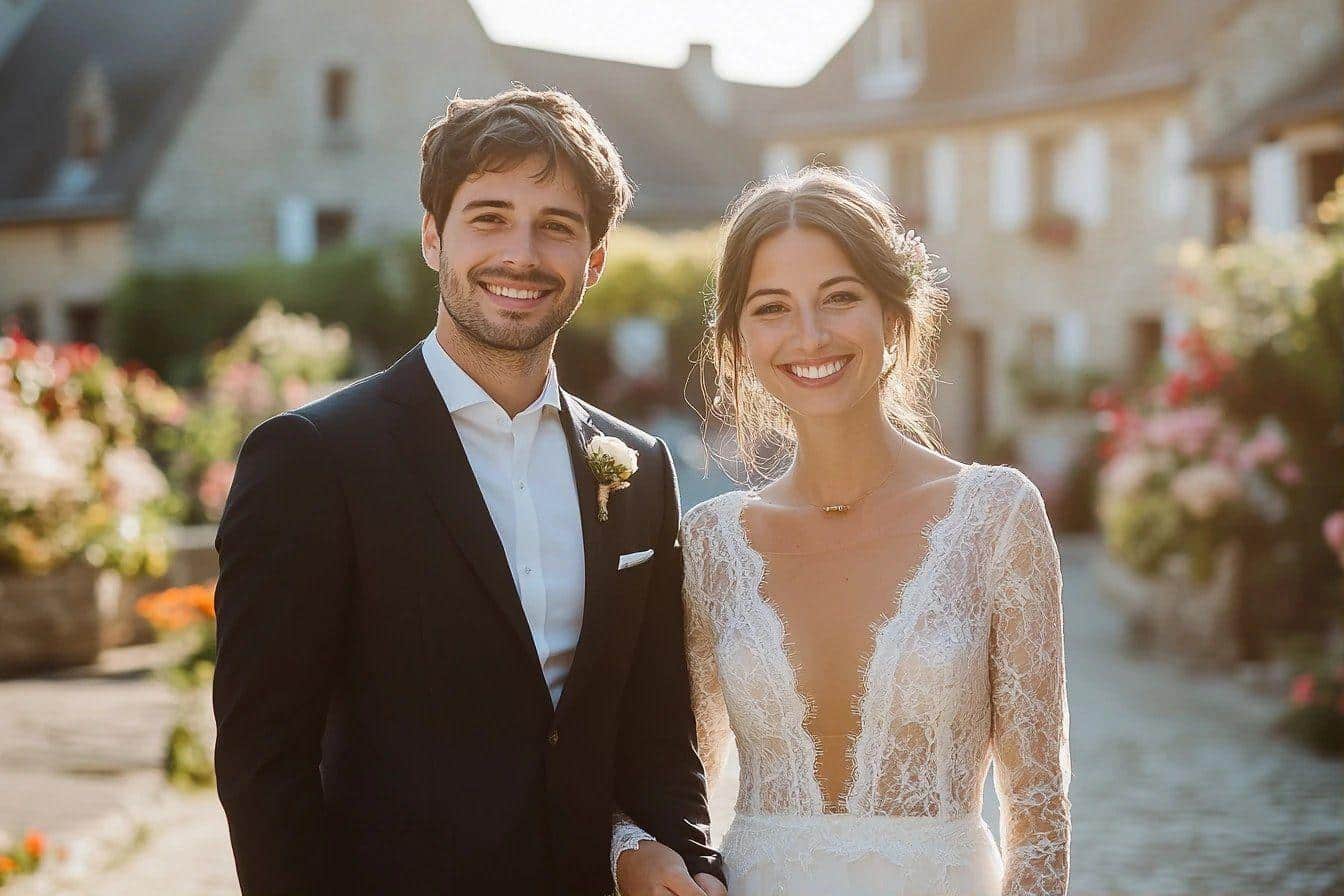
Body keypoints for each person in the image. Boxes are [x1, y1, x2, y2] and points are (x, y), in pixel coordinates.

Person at [212, 87, 725, 896]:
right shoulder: (313, 459)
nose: (521, 254)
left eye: (556, 226)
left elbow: (659, 734)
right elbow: (262, 761)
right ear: (433, 237)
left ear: (593, 260)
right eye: (489, 217)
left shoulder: (641, 468)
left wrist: (692, 865)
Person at [613, 167, 1071, 896]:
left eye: (839, 298)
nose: (810, 335)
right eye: (772, 307)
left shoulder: (996, 516)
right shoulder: (711, 544)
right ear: (737, 338)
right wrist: (629, 849)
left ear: (893, 313)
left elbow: (1040, 816)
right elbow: (670, 778)